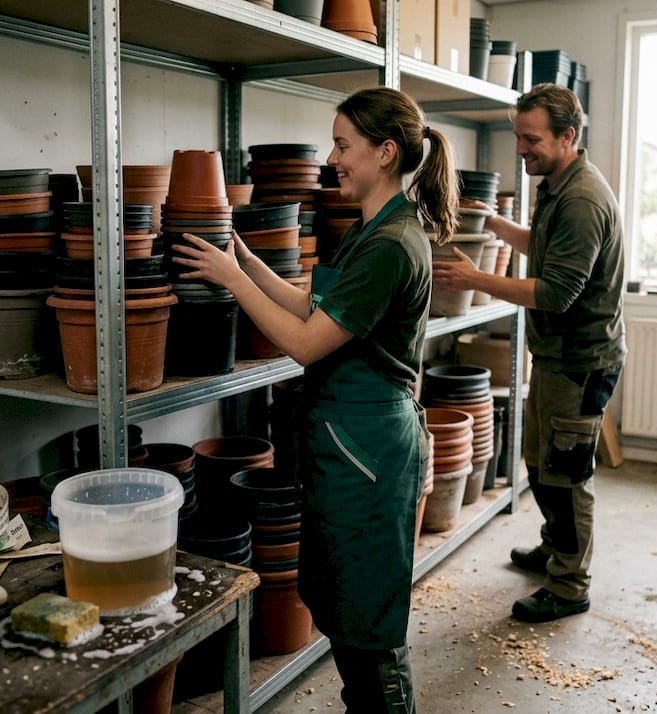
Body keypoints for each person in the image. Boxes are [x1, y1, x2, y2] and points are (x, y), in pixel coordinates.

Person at [172, 86, 457, 712]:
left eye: (343, 144)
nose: (333, 158)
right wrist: (245, 262)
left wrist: (228, 281)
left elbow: (304, 342)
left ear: (385, 153)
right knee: (343, 604)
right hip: (348, 441)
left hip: (369, 449)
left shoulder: (390, 245)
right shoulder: (374, 229)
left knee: (369, 628)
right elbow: (312, 302)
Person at [432, 82, 626, 624]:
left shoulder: (584, 199)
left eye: (531, 138)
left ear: (568, 135)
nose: (521, 149)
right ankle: (555, 548)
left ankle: (570, 585)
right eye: (518, 136)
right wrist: (493, 225)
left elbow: (557, 291)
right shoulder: (558, 184)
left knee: (566, 473)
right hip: (556, 355)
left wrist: (475, 277)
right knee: (540, 463)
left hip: (581, 361)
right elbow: (544, 249)